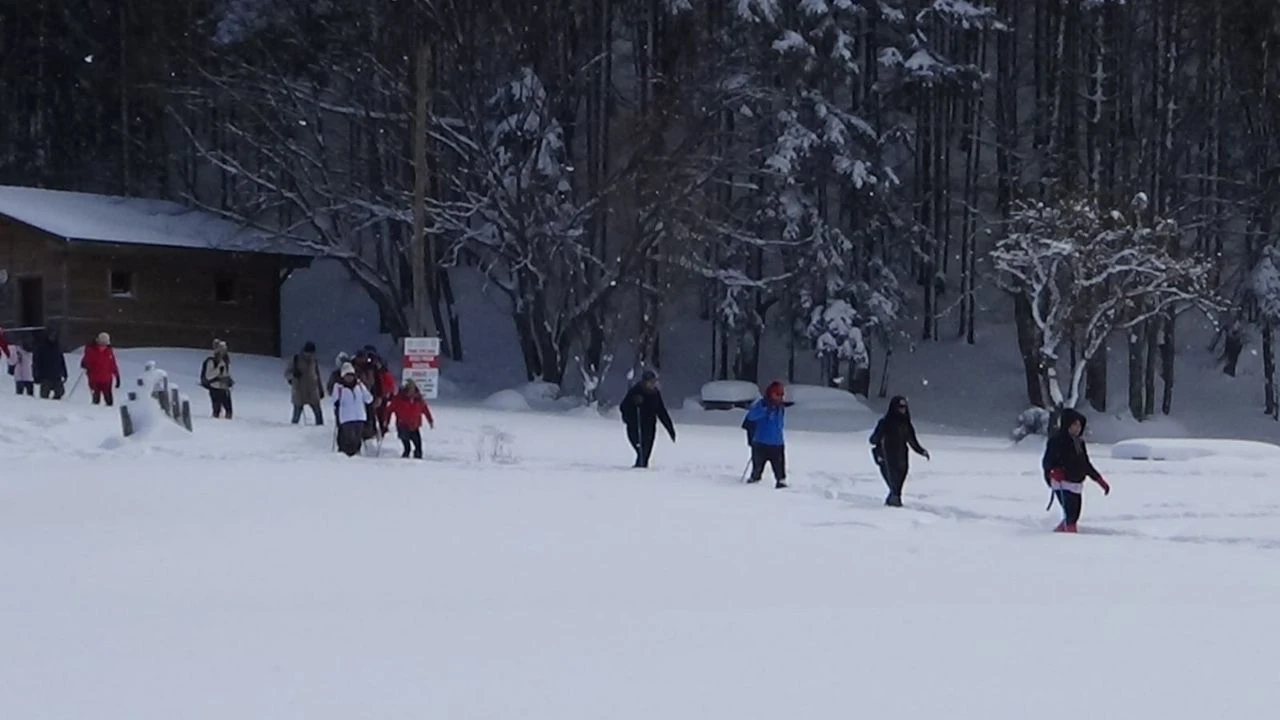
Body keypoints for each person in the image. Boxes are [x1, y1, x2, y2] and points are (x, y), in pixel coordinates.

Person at [1042, 408, 1110, 533]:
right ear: (1067, 424)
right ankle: (1070, 540)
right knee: (1071, 514)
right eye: (1074, 424)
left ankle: (1060, 532)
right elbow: (1047, 462)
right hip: (1061, 483)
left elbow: (1085, 464)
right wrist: (1052, 473)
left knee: (1074, 514)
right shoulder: (1056, 440)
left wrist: (1100, 481)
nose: (1077, 428)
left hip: (1076, 483)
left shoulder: (1079, 443)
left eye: (1079, 425)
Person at [870, 395, 930, 507]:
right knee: (893, 482)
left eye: (904, 407)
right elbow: (873, 439)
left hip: (902, 457)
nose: (902, 409)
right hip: (887, 456)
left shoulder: (906, 424)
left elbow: (912, 441)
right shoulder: (885, 422)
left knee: (899, 481)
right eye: (900, 407)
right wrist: (879, 439)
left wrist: (922, 451)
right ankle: (894, 506)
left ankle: (893, 502)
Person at [618, 369, 675, 468]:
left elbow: (661, 411)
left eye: (654, 382)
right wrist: (633, 404)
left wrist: (670, 429)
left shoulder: (655, 394)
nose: (653, 384)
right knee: (641, 451)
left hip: (650, 427)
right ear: (644, 382)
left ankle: (641, 471)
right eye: (650, 382)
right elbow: (623, 407)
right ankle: (640, 472)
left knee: (646, 454)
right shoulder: (635, 391)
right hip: (636, 426)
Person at [743, 380, 787, 488]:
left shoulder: (780, 408)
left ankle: (781, 483)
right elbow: (751, 417)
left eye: (781, 395)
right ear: (770, 394)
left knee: (780, 470)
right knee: (757, 469)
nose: (780, 397)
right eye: (777, 394)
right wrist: (764, 410)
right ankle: (753, 484)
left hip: (777, 444)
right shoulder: (762, 404)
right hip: (760, 443)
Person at [332, 362, 374, 457]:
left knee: (357, 438)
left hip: (359, 416)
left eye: (351, 375)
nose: (349, 378)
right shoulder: (338, 387)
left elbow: (368, 398)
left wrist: (369, 399)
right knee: (348, 438)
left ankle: (356, 454)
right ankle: (347, 454)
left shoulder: (359, 385)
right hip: (346, 417)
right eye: (347, 375)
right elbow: (334, 400)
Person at [387, 379, 434, 459]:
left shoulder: (419, 399)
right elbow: (389, 410)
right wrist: (386, 421)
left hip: (415, 426)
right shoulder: (399, 399)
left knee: (418, 447)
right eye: (409, 389)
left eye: (413, 389)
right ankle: (405, 463)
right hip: (403, 425)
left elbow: (425, 410)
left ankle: (418, 462)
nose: (411, 392)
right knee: (407, 448)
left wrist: (430, 420)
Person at [285, 341, 325, 425]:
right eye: (308, 352)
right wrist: (293, 377)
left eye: (311, 353)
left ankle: (320, 429)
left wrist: (320, 389)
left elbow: (317, 375)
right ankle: (292, 430)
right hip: (299, 390)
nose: (309, 355)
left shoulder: (314, 361)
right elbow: (287, 373)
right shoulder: (295, 359)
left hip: (312, 390)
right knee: (296, 414)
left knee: (318, 414)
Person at [81, 332, 121, 406]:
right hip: (94, 379)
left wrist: (117, 375)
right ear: (98, 342)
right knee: (96, 400)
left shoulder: (109, 351)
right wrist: (85, 365)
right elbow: (85, 361)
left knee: (109, 401)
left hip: (107, 380)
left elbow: (112, 364)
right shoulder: (91, 351)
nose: (103, 346)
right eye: (101, 344)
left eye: (105, 344)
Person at [200, 339, 234, 419]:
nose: (224, 352)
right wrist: (218, 369)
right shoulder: (211, 361)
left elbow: (226, 373)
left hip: (224, 388)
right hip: (215, 388)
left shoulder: (226, 361)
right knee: (216, 410)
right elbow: (209, 376)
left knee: (229, 410)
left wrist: (229, 380)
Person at [32, 329, 67, 400]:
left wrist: (65, 372)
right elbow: (36, 362)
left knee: (60, 392)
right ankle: (45, 408)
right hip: (45, 375)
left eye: (54, 336)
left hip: (56, 375)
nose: (52, 338)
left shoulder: (57, 347)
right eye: (51, 336)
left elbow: (62, 361)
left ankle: (54, 404)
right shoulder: (41, 347)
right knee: (44, 395)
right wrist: (36, 374)